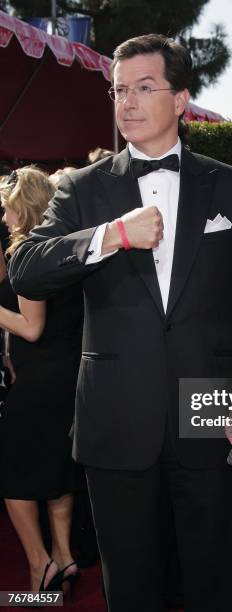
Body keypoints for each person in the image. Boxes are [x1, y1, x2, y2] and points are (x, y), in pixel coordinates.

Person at [8, 34, 232, 612]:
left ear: (182, 98)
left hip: (211, 420)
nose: (127, 103)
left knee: (217, 583)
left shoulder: (229, 186)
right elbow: (27, 269)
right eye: (118, 91)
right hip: (115, 422)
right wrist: (111, 236)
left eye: (144, 88)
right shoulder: (84, 189)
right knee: (131, 589)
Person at [0, 167, 83, 593]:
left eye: (9, 210)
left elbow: (31, 327)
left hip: (39, 384)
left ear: (24, 207)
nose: (5, 219)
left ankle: (39, 566)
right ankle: (66, 558)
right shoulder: (64, 251)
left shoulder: (29, 256)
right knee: (56, 473)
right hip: (67, 377)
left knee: (12, 477)